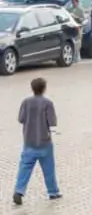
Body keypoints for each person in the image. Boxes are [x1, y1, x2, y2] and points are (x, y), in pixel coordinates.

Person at [13, 76, 60, 205]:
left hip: (29, 141)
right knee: (49, 168)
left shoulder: (26, 102)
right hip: (44, 141)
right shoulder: (48, 103)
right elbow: (52, 122)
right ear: (44, 89)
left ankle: (19, 190)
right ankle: (53, 192)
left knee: (25, 168)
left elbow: (21, 119)